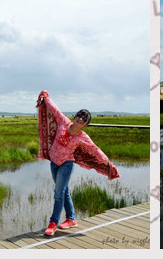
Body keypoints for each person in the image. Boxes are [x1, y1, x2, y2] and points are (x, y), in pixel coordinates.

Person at [36, 90, 119, 237]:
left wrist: (108, 163)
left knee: (58, 193)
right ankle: (72, 219)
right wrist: (46, 97)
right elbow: (54, 109)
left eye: (84, 118)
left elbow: (95, 150)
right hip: (54, 163)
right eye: (79, 115)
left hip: (66, 165)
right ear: (75, 116)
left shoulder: (83, 137)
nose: (81, 118)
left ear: (86, 124)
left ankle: (53, 224)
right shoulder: (63, 122)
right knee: (64, 191)